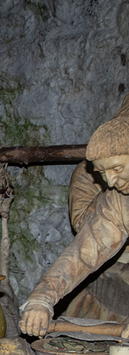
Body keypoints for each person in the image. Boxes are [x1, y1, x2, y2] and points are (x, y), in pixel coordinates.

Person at [20, 108, 129, 338]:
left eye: (117, 168)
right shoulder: (118, 199)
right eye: (102, 172)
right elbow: (84, 252)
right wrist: (42, 298)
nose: (110, 181)